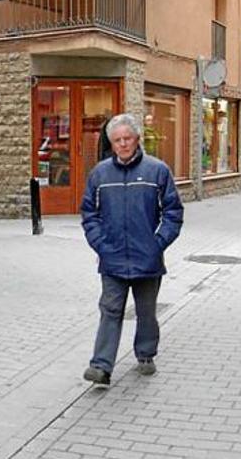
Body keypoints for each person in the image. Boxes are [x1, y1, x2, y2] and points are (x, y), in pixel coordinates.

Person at [80, 113, 184, 385]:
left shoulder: (157, 170)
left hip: (147, 260)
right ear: (111, 143)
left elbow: (173, 212)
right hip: (112, 258)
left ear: (137, 139)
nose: (123, 144)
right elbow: (89, 213)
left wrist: (157, 243)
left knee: (146, 312)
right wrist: (100, 244)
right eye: (117, 140)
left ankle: (146, 353)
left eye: (127, 138)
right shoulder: (100, 174)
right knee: (110, 310)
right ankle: (101, 366)